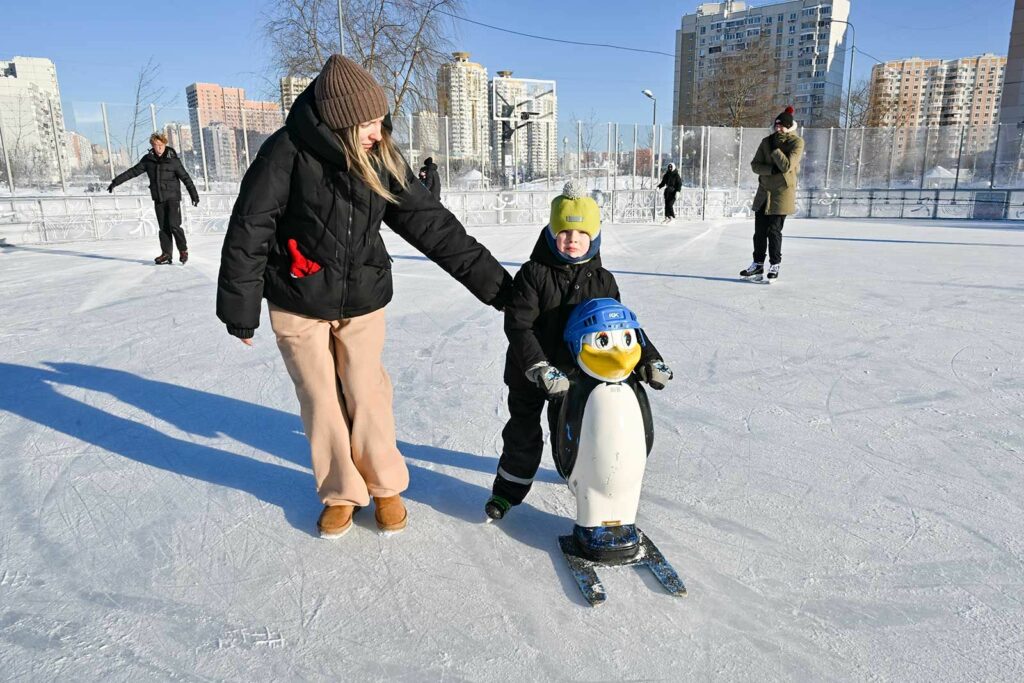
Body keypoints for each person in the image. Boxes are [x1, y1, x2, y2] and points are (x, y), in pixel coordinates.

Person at [216, 55, 513, 539]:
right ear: (338, 121)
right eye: (368, 123)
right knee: (319, 397)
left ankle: (385, 484)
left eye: (380, 120)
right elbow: (251, 227)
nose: (379, 131)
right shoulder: (286, 151)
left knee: (366, 389)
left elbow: (432, 226)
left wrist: (501, 289)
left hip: (362, 296)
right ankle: (339, 492)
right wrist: (239, 306)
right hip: (296, 296)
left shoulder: (381, 156)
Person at [484, 181, 674, 520]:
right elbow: (519, 324)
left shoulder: (603, 280)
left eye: (581, 233)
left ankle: (574, 474)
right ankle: (507, 492)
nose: (572, 240)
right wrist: (538, 365)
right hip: (532, 371)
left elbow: (619, 327)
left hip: (576, 373)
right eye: (565, 233)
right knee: (523, 434)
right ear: (551, 233)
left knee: (577, 431)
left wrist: (648, 358)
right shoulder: (533, 274)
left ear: (595, 236)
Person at [108, 132, 199, 264]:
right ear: (152, 146)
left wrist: (194, 195)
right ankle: (166, 254)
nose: (158, 148)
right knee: (163, 228)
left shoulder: (173, 160)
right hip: (158, 198)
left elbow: (186, 178)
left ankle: (183, 250)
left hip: (173, 198)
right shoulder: (148, 160)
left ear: (165, 144)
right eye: (155, 145)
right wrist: (115, 182)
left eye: (160, 145)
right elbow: (133, 172)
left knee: (174, 225)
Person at [741, 105, 804, 281]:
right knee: (759, 231)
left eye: (782, 126)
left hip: (782, 194)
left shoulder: (796, 143)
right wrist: (770, 170)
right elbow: (755, 165)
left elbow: (786, 166)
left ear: (789, 127)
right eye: (776, 125)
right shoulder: (766, 141)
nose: (778, 128)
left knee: (774, 231)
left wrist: (776, 149)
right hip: (764, 192)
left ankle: (774, 265)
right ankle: (758, 265)